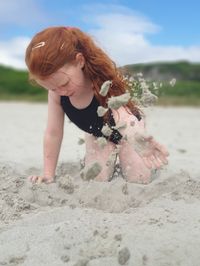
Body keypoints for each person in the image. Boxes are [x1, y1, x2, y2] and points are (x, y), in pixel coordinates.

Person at [25, 26, 169, 184]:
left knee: (138, 179)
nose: (61, 91)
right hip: (97, 134)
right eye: (52, 88)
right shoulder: (56, 94)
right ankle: (110, 160)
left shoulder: (102, 83)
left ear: (79, 61)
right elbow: (53, 133)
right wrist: (48, 174)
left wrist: (139, 141)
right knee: (96, 180)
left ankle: (134, 161)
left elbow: (125, 118)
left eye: (64, 83)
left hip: (128, 130)